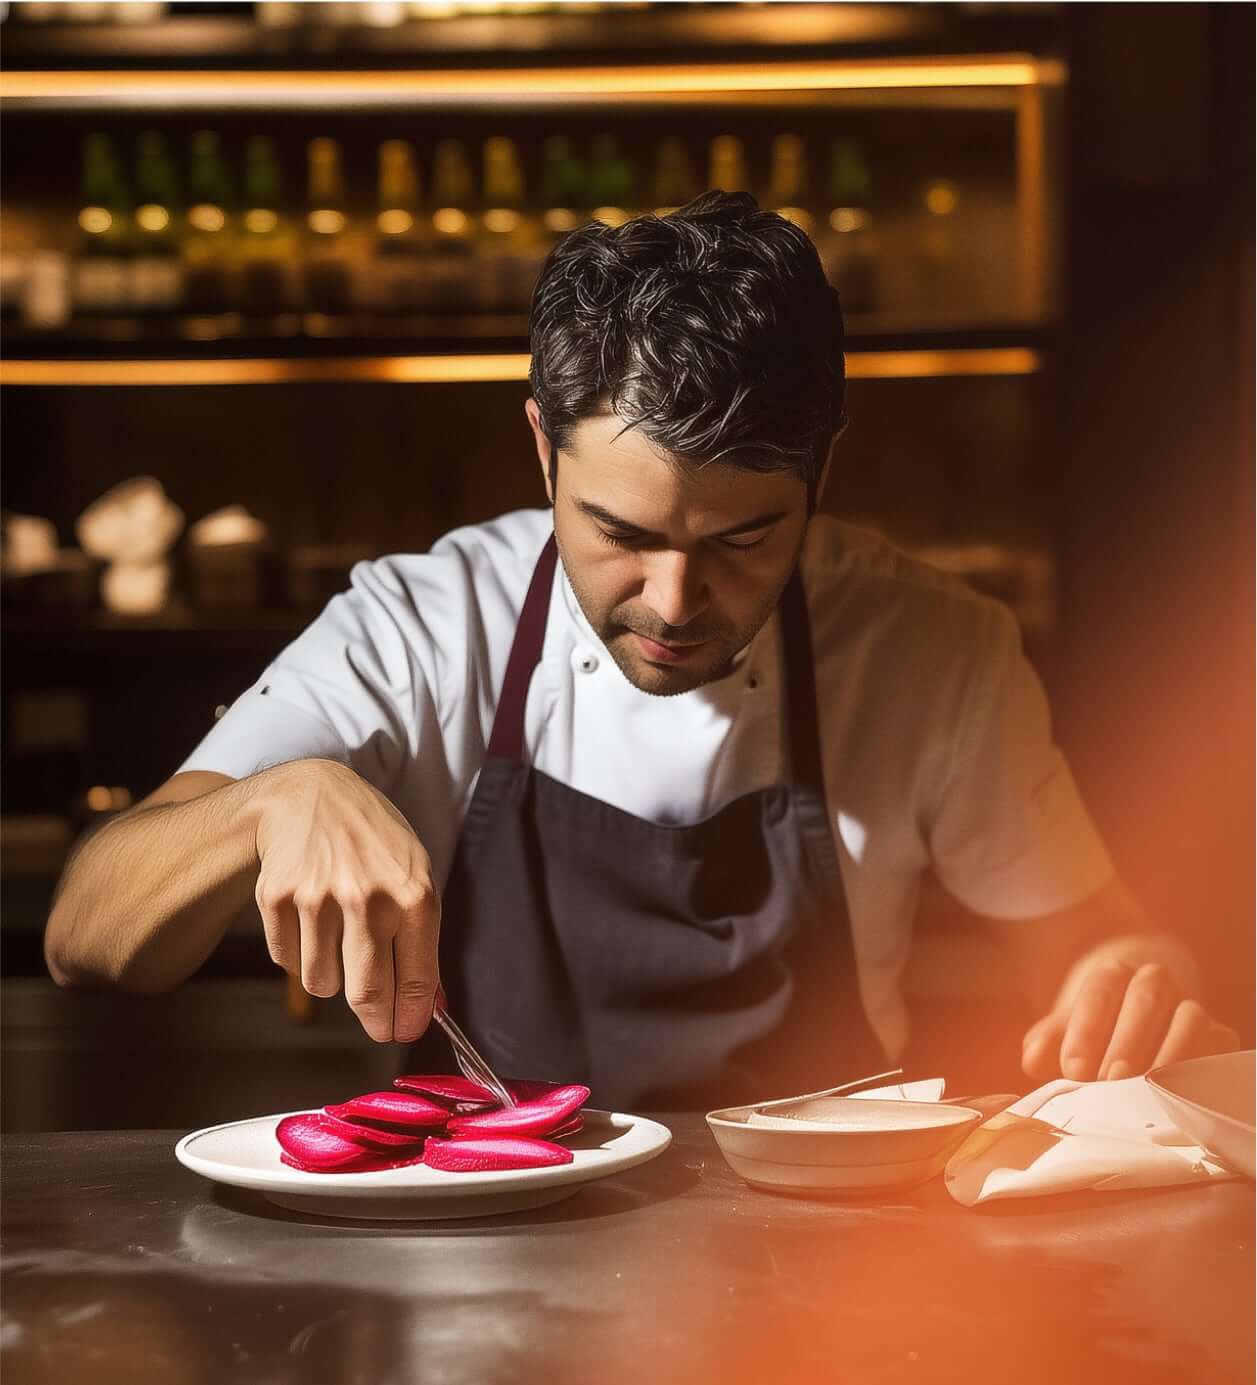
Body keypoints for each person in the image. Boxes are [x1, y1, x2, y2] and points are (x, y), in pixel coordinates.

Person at [44, 192, 1240, 1108]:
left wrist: (1132, 974)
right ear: (541, 451)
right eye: (619, 532)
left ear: (824, 469)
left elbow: (1092, 948)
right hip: (471, 1261)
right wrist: (268, 802)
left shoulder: (934, 649)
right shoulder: (421, 623)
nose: (675, 599)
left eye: (745, 536)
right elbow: (86, 932)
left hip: (818, 1286)